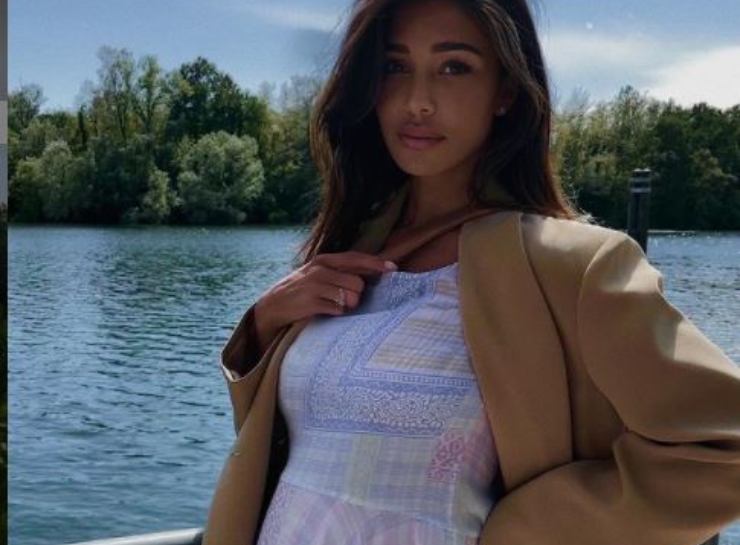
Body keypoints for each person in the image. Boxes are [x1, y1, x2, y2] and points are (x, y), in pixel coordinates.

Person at [202, 0, 740, 544]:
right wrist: (263, 326)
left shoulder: (570, 266)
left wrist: (521, 531)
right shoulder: (350, 250)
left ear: (506, 91)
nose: (417, 101)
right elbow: (291, 448)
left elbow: (728, 450)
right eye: (394, 66)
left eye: (454, 67)